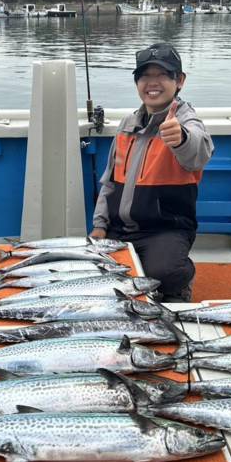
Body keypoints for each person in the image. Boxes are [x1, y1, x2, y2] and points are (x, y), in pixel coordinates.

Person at [90, 42, 214, 302]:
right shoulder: (128, 124)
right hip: (119, 228)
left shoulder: (186, 121)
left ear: (179, 81)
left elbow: (200, 152)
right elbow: (109, 182)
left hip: (165, 229)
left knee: (164, 273)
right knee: (94, 273)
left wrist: (180, 139)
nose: (152, 83)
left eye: (162, 75)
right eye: (145, 76)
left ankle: (181, 284)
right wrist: (100, 226)